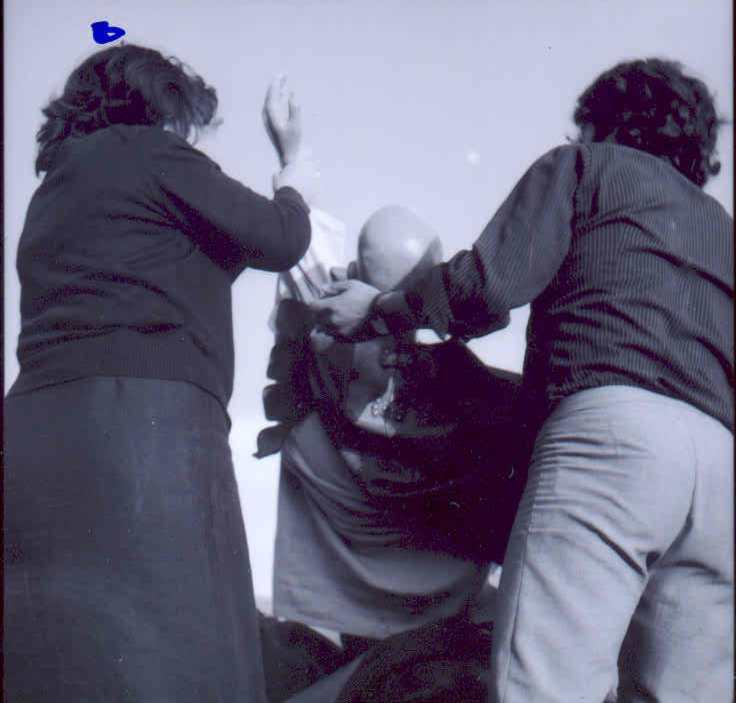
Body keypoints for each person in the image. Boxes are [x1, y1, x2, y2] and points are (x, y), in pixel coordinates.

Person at [312, 58, 734, 702]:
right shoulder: (723, 231)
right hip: (722, 475)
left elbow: (484, 289)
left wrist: (379, 310)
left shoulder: (584, 167)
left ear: (602, 124)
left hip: (612, 443)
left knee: (545, 687)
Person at [4, 44, 317, 702]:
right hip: (143, 427)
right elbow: (282, 236)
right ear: (160, 105)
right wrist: (292, 168)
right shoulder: (150, 151)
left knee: (56, 653)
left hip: (33, 432)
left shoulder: (52, 193)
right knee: (180, 652)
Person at [257, 205, 524, 655]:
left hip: (351, 575)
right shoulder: (451, 381)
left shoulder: (320, 347)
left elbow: (305, 268)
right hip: (431, 582)